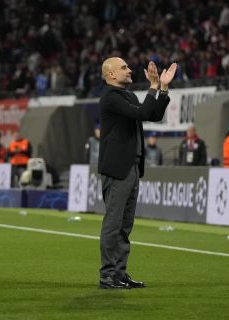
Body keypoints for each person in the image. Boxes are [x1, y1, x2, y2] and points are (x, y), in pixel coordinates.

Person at [98, 57, 177, 289]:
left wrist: (163, 89)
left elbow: (153, 114)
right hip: (117, 168)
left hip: (132, 166)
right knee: (113, 224)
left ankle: (119, 273)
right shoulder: (110, 98)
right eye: (123, 67)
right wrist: (153, 86)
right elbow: (143, 112)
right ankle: (107, 275)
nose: (129, 69)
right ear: (111, 74)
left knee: (125, 225)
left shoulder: (128, 96)